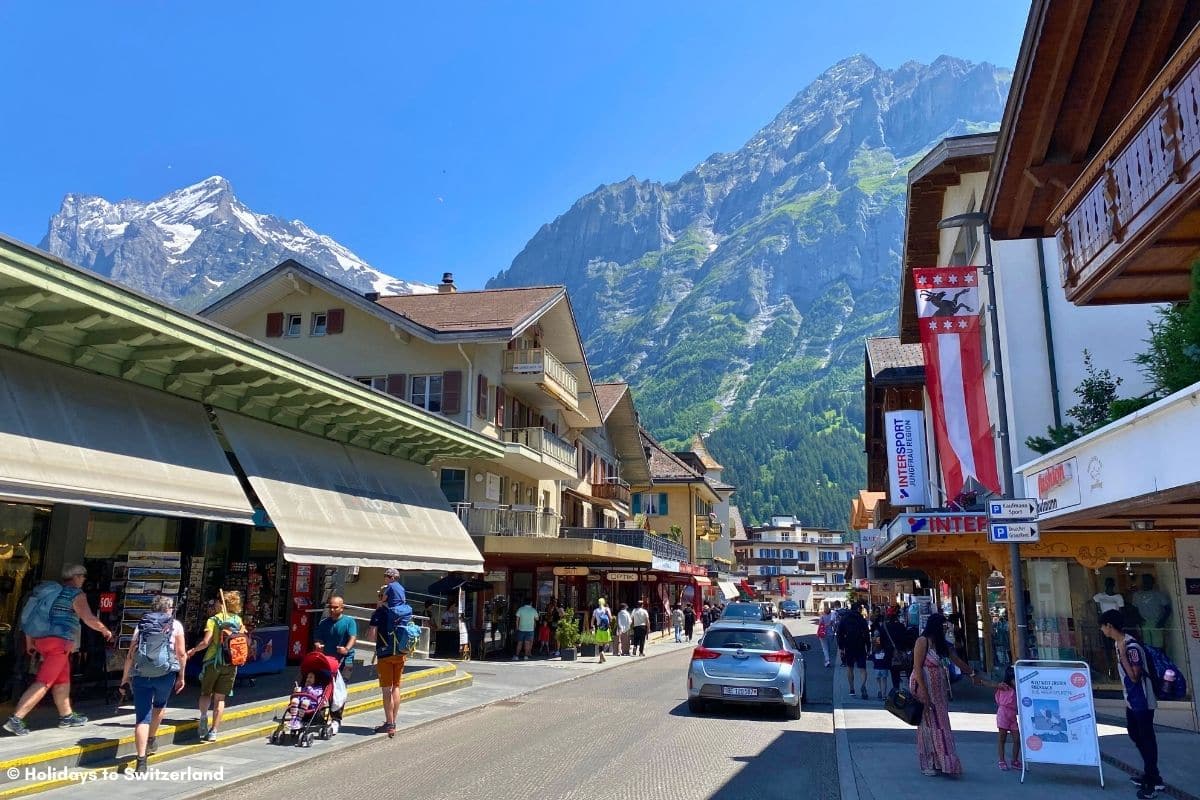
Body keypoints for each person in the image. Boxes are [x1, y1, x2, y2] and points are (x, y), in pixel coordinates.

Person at [3, 564, 114, 736]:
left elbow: (31, 617)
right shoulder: (76, 594)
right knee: (44, 682)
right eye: (83, 576)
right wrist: (104, 630)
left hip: (41, 640)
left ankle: (66, 715)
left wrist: (30, 640)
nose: (84, 579)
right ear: (76, 577)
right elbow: (88, 618)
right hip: (59, 644)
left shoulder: (51, 593)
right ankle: (16, 719)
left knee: (62, 680)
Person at [1100, 609, 1163, 798]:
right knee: (1135, 734)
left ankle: (1153, 781)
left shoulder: (1130, 646)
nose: (1102, 630)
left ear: (1110, 626)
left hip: (1142, 699)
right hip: (1132, 700)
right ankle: (1150, 773)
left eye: (1103, 627)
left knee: (1146, 738)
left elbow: (1135, 676)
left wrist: (1123, 656)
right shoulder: (1119, 644)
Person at [120, 595, 186, 773]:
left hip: (141, 675)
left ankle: (141, 760)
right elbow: (181, 653)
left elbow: (131, 654)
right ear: (168, 609)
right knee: (159, 705)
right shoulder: (176, 625)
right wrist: (182, 676)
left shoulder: (142, 625)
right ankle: (151, 739)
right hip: (165, 674)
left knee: (142, 718)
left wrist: (125, 678)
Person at [910, 613, 980, 777]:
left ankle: (944, 761)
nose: (946, 629)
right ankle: (929, 762)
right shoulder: (922, 641)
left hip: (939, 690)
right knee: (928, 725)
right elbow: (917, 668)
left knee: (941, 724)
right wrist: (924, 694)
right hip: (924, 687)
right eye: (943, 626)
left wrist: (972, 674)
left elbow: (957, 661)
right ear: (936, 626)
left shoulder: (942, 645)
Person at [185, 589, 245, 743]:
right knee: (220, 698)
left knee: (206, 693)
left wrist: (192, 650)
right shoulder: (238, 620)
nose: (216, 604)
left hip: (213, 662)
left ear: (222, 604)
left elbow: (206, 642)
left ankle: (204, 717)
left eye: (218, 601)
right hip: (231, 663)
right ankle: (214, 731)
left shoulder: (213, 620)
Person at [366, 580, 410, 738]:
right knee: (396, 687)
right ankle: (393, 721)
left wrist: (375, 620)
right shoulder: (403, 611)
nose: (379, 597)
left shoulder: (379, 613)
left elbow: (371, 637)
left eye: (381, 595)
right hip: (400, 653)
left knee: (386, 690)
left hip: (384, 655)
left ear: (385, 597)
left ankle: (389, 723)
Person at [981, 666, 1020, 771]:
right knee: (1002, 738)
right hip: (1003, 713)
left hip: (1012, 714)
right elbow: (989, 684)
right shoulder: (1003, 686)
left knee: (1017, 739)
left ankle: (1014, 760)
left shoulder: (1018, 689)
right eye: (1013, 680)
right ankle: (1002, 760)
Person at [315, 595, 357, 680]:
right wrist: (318, 645)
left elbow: (352, 638)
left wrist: (346, 649)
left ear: (342, 608)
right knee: (327, 682)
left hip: (346, 659)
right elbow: (318, 638)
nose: (332, 609)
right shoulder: (324, 623)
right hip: (329, 659)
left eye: (335, 607)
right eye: (330, 607)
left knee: (342, 682)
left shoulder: (349, 621)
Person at [837, 602, 870, 697]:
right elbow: (867, 634)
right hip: (860, 646)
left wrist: (841, 647)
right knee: (863, 668)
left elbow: (839, 634)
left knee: (850, 668)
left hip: (849, 646)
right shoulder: (862, 620)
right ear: (858, 609)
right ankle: (863, 685)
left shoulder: (845, 619)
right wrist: (868, 647)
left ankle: (852, 689)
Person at [591, 599, 612, 664]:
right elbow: (610, 618)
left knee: (600, 643)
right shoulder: (606, 609)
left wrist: (592, 626)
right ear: (604, 602)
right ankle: (603, 653)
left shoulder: (595, 610)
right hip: (606, 628)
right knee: (607, 643)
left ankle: (601, 659)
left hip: (599, 628)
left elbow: (592, 620)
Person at [870, 634, 890, 701]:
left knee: (879, 679)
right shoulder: (885, 648)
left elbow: (872, 657)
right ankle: (883, 693)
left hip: (878, 666)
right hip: (882, 666)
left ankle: (881, 692)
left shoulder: (875, 648)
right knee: (883, 680)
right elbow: (887, 657)